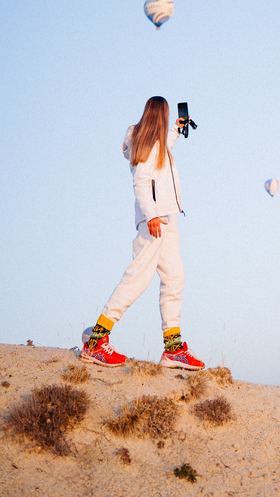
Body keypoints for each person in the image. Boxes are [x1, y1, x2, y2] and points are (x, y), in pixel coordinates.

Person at [80, 96, 204, 370]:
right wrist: (151, 215)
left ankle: (173, 349)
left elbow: (162, 152)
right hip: (155, 220)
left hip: (166, 218)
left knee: (174, 279)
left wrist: (175, 131)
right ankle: (95, 343)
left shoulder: (154, 143)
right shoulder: (148, 144)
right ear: (160, 115)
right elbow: (141, 182)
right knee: (137, 278)